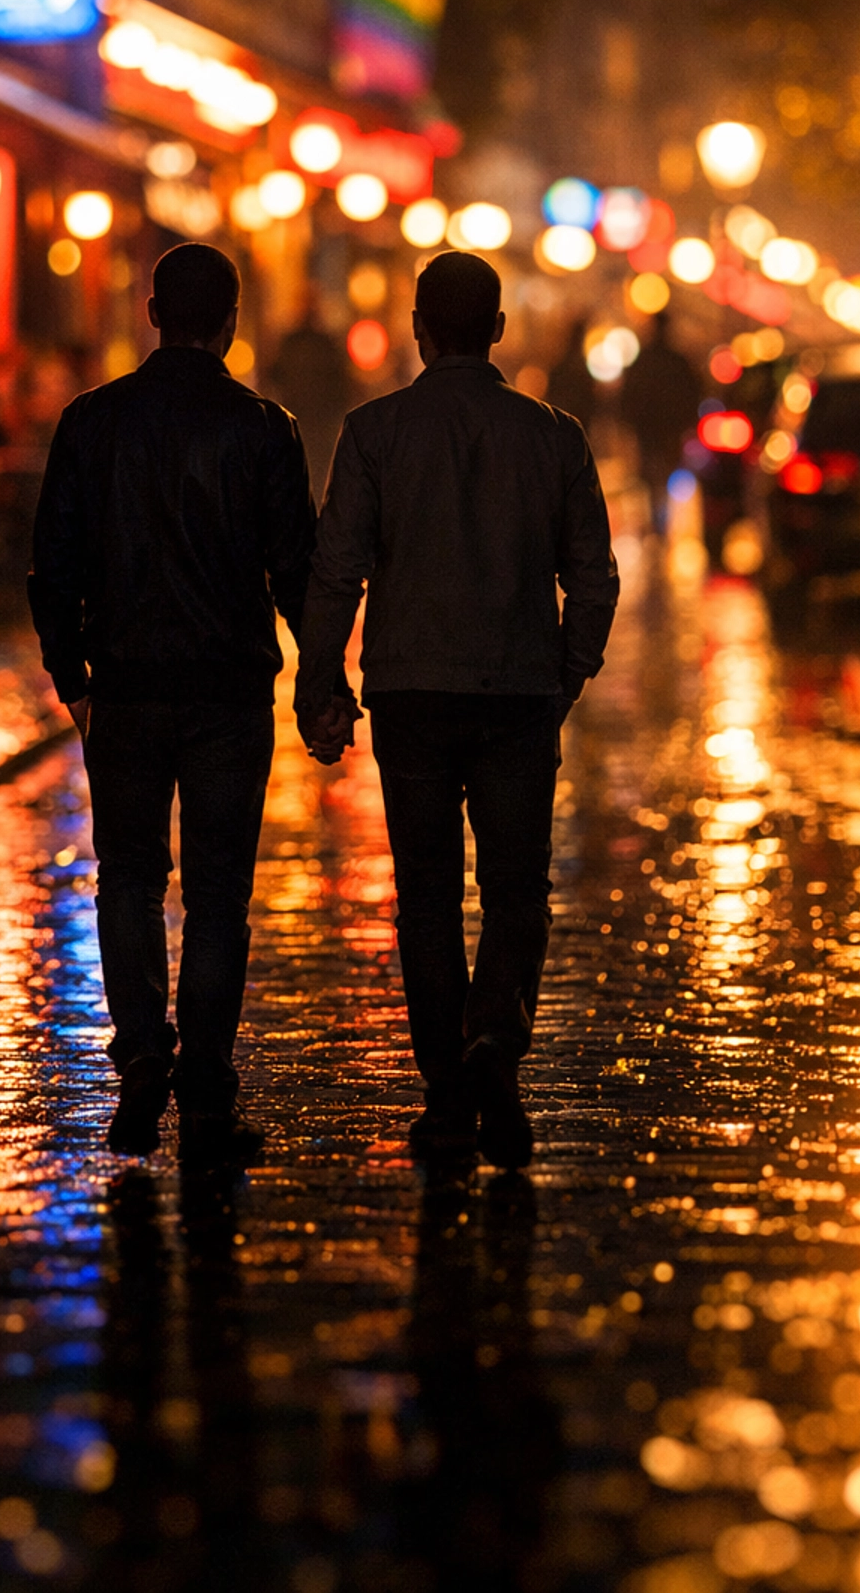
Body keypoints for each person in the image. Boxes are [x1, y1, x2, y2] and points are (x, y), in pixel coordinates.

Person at [295, 251, 619, 1169]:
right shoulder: (555, 436)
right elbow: (592, 577)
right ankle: (496, 1044)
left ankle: (446, 1085)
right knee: (519, 888)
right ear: (500, 331)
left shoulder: (374, 432)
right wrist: (569, 672)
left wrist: (320, 679)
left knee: (426, 893)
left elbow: (337, 569)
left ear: (418, 330)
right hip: (519, 691)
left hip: (412, 692)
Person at [29, 243, 317, 1165]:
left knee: (129, 878)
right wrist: (325, 677)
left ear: (151, 314)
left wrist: (72, 679)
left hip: (125, 683)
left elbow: (52, 569)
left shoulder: (90, 422)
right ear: (232, 320)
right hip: (229, 688)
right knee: (221, 895)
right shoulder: (265, 428)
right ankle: (205, 1096)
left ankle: (143, 1055)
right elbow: (297, 573)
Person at [619, 308, 701, 534]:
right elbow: (692, 393)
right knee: (664, 475)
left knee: (649, 477)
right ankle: (659, 522)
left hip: (649, 431)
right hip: (668, 431)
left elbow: (628, 396)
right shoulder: (677, 361)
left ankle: (655, 522)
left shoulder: (644, 360)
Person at [265, 291, 353, 498]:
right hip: (315, 418)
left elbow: (275, 376)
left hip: (303, 417)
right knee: (317, 469)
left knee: (301, 469)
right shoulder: (324, 344)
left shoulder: (294, 343)